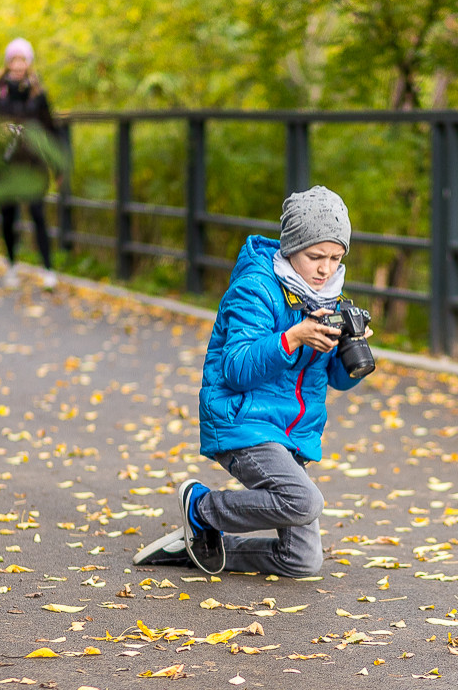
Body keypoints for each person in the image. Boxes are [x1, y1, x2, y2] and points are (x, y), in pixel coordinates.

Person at [133, 185, 374, 577]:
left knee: (303, 561)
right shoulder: (256, 287)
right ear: (292, 247)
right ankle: (201, 509)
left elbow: (335, 380)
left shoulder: (328, 297)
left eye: (335, 257)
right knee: (305, 501)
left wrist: (352, 355)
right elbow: (236, 368)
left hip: (291, 432)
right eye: (315, 256)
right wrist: (292, 338)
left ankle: (199, 544)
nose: (325, 269)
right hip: (243, 419)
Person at [0, 38, 63, 290]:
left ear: (28, 63)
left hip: (33, 164)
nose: (18, 65)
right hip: (5, 165)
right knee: (8, 217)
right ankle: (11, 265)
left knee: (39, 214)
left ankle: (48, 270)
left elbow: (51, 130)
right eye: (14, 60)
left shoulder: (38, 95)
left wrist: (59, 166)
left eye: (23, 60)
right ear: (7, 63)